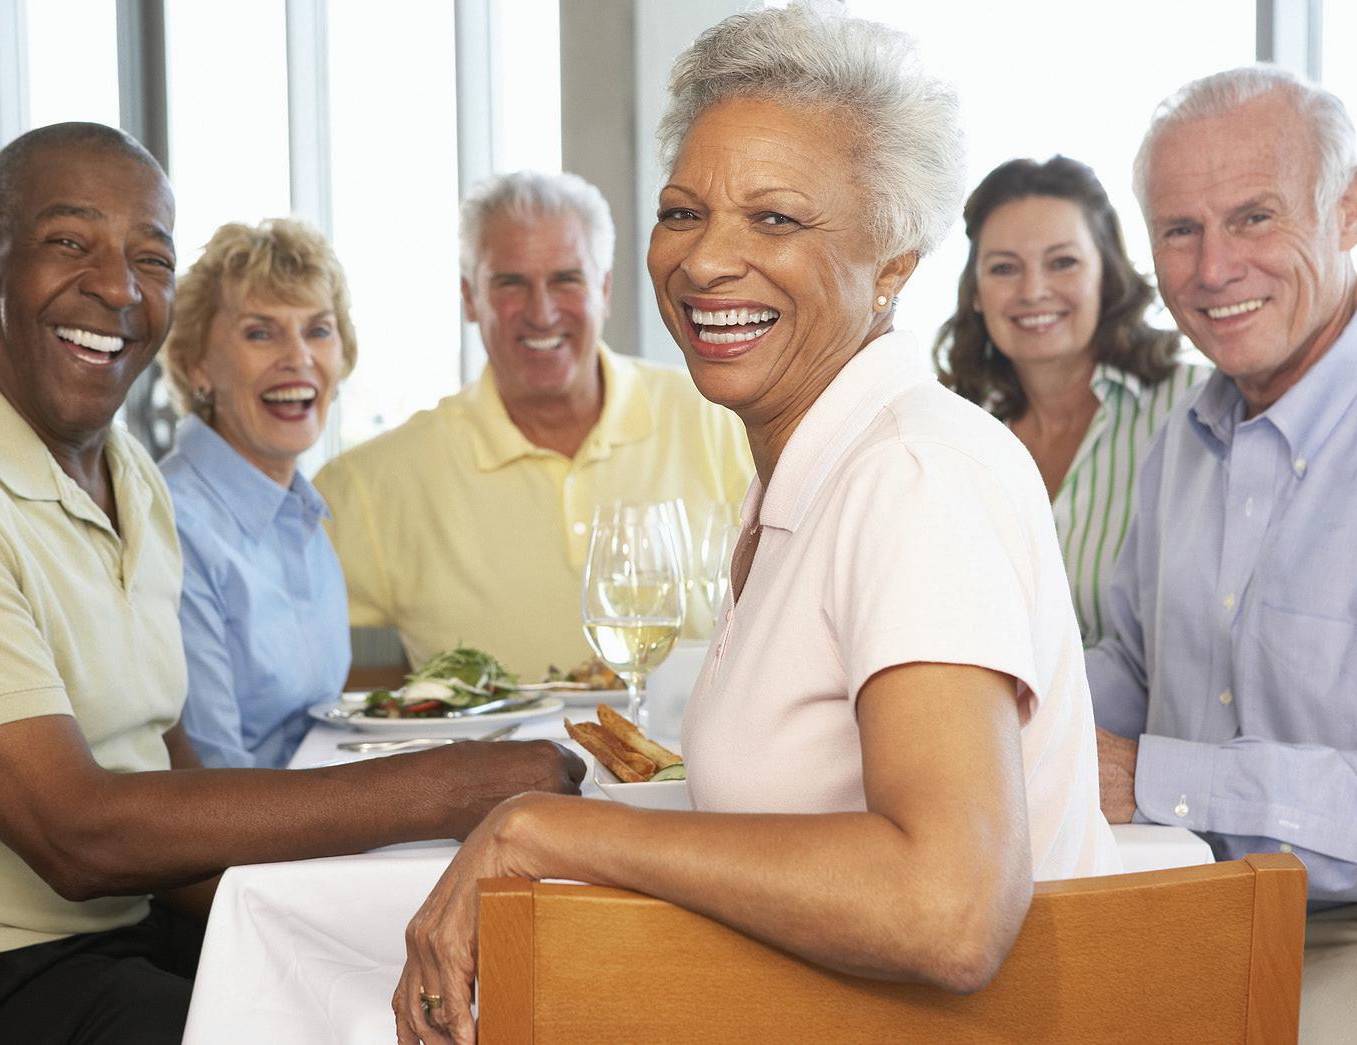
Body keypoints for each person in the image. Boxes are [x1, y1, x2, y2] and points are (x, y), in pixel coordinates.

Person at [392, 7, 1118, 1041]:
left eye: (774, 220)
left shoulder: (912, 477)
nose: (703, 262)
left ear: (895, 263)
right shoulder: (815, 465)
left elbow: (947, 908)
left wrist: (540, 829)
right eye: (682, 212)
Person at [0, 123, 583, 1045]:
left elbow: (177, 784)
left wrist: (370, 909)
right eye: (70, 241)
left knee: (444, 996)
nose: (116, 286)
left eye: (150, 258)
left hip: (117, 931)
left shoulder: (124, 473)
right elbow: (78, 834)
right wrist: (445, 788)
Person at [1088, 66, 1357, 1042]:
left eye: (1253, 218)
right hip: (1179, 899)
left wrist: (1157, 779)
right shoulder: (1181, 442)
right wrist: (985, 704)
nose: (1212, 269)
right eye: (1178, 231)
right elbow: (1132, 666)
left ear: (1348, 208)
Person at [313, 170, 753, 684]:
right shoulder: (371, 485)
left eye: (566, 279)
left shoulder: (724, 421)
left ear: (604, 289)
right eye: (510, 283)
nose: (541, 313)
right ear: (469, 298)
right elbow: (290, 667)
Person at [934, 157, 1209, 645]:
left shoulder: (1194, 410)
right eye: (1004, 268)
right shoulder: (950, 435)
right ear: (976, 291)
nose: (1033, 291)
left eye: (1063, 262)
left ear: (1107, 273)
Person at [157, 218, 354, 768]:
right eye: (260, 334)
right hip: (246, 824)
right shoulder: (174, 527)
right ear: (198, 365)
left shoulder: (303, 518)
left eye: (318, 330)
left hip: (315, 811)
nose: (299, 357)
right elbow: (214, 778)